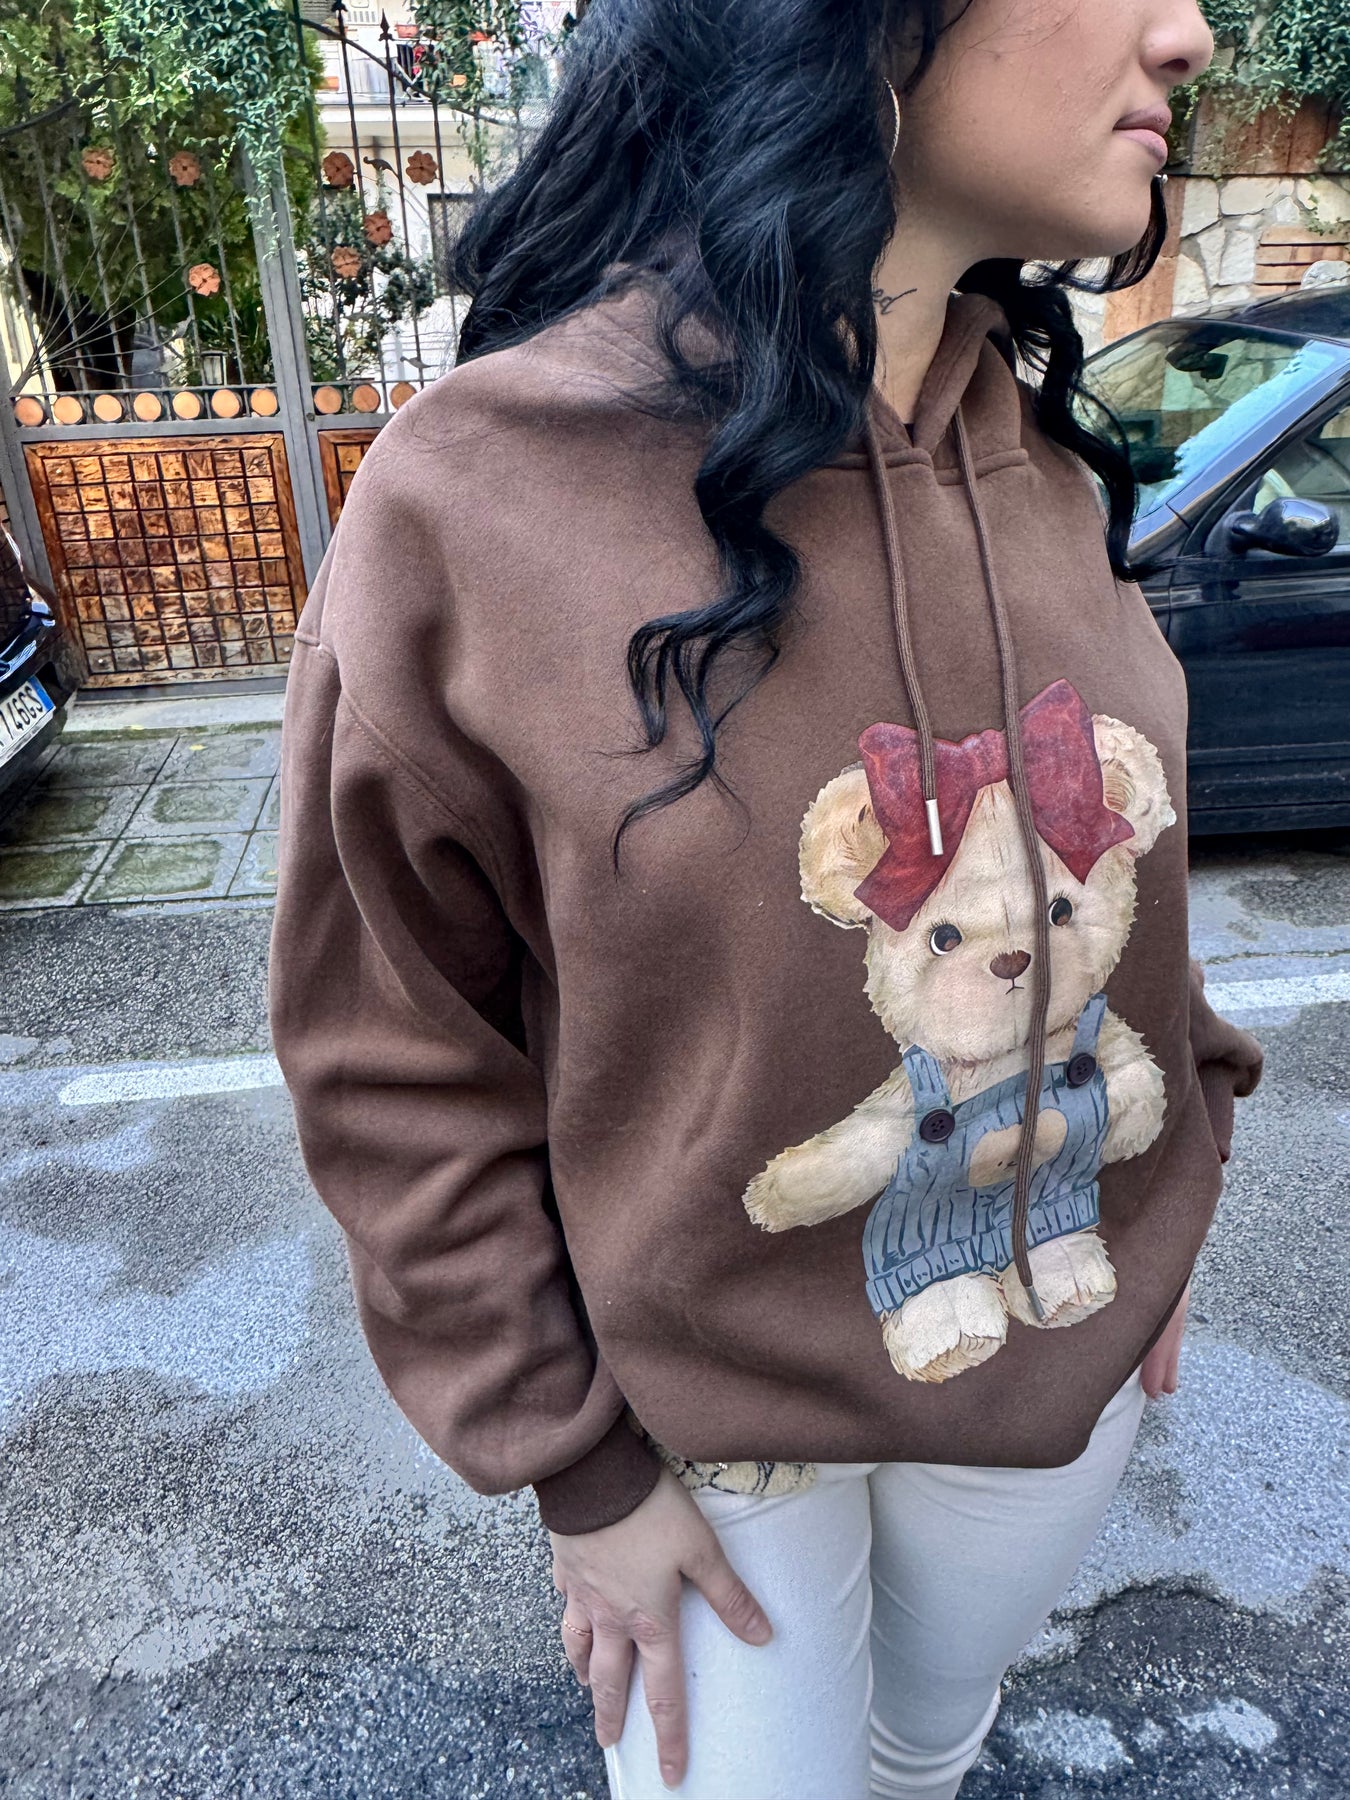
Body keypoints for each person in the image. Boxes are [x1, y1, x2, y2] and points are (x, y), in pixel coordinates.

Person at [267, 1, 1266, 1795]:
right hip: (703, 1431)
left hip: (1053, 1343)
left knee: (927, 1744)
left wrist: (1171, 1166)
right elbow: (391, 1048)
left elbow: (1136, 885)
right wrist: (573, 1467)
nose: (1188, 33)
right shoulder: (477, 500)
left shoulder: (1045, 467)